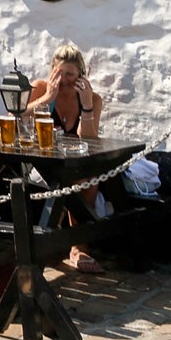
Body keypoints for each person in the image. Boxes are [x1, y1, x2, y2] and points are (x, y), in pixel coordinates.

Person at [27, 42, 107, 273]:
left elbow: (89, 139)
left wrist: (88, 107)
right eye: (58, 73)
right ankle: (66, 242)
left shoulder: (92, 99)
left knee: (88, 178)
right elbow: (20, 114)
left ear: (81, 75)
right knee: (77, 180)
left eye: (69, 75)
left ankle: (77, 246)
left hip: (73, 164)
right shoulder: (41, 88)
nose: (63, 80)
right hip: (41, 162)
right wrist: (47, 97)